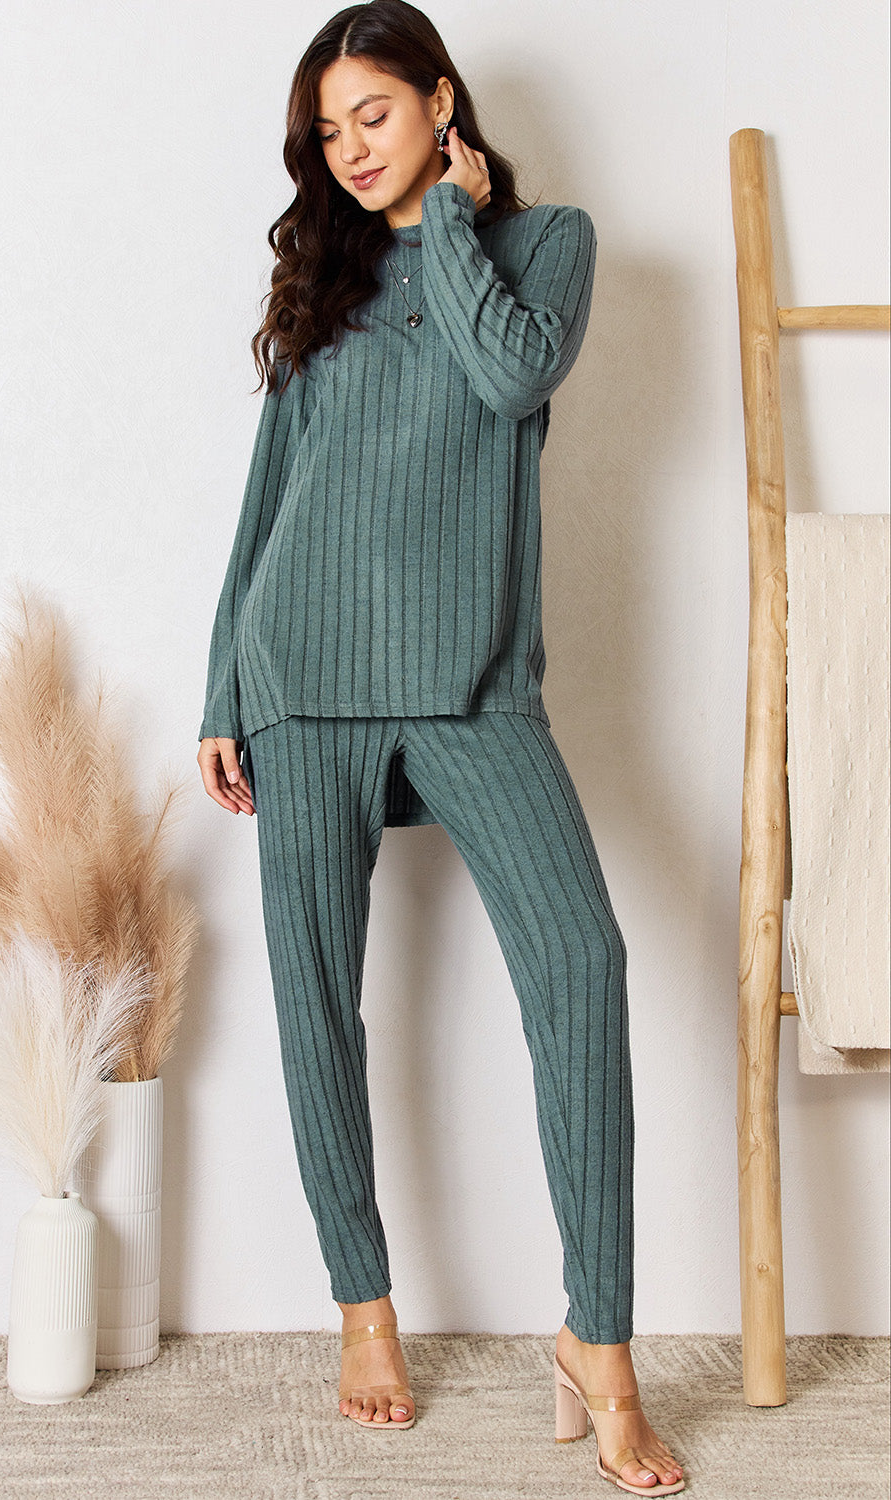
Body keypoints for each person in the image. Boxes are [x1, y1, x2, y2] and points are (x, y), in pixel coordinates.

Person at [197, 2, 685, 1492]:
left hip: (473, 681)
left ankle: (597, 1344)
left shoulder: (549, 246)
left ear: (441, 105)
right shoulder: (318, 285)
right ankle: (364, 1305)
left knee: (583, 967)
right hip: (304, 672)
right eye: (327, 134)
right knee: (314, 1003)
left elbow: (509, 378)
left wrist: (456, 219)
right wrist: (222, 684)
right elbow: (269, 485)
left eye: (374, 119)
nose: (349, 153)